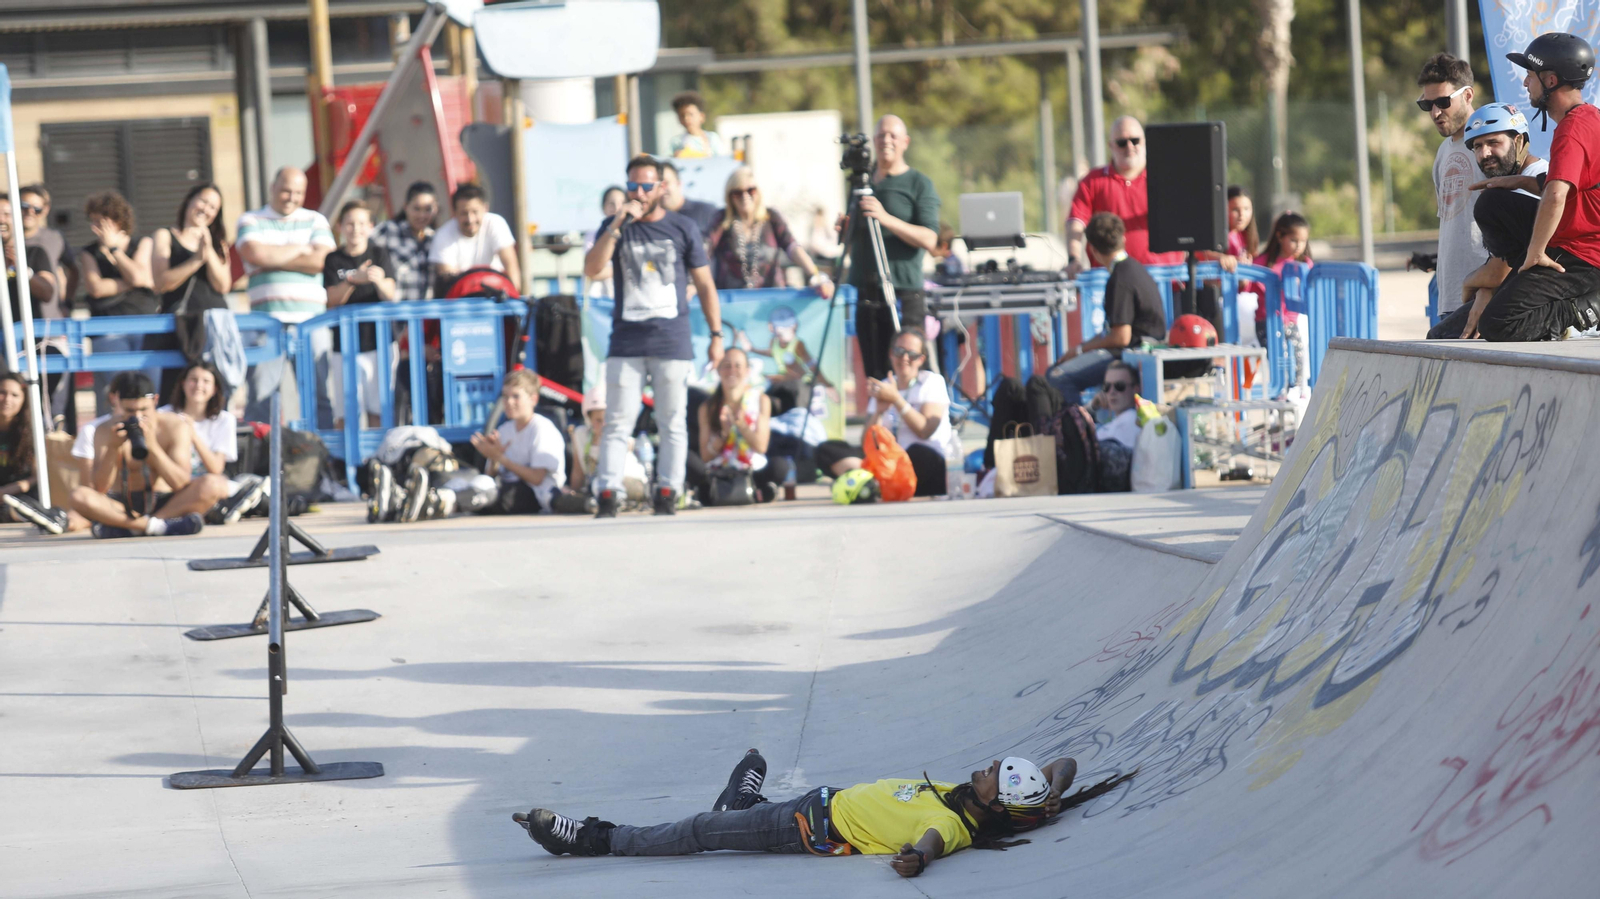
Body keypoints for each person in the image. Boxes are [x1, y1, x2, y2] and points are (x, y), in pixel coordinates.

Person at [515, 748, 1127, 875]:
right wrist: (1044, 798)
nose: (987, 765)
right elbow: (1065, 765)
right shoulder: (969, 798)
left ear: (993, 800)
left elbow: (931, 848)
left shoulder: (950, 825)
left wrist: (916, 860)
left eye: (995, 772)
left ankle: (591, 839)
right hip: (817, 801)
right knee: (731, 816)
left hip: (803, 827)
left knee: (703, 832)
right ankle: (743, 800)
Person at [582, 154, 724, 518]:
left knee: (672, 421)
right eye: (633, 186)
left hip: (670, 340)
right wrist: (617, 224)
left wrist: (716, 334)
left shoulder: (682, 227)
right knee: (617, 420)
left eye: (647, 186)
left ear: (662, 187)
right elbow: (593, 269)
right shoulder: (615, 225)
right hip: (626, 341)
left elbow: (705, 284)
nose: (640, 193)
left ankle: (668, 490)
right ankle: (608, 493)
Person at [1476, 33, 1600, 342]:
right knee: (1493, 204)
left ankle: (1586, 310)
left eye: (1529, 76)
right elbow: (1570, 185)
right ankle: (1527, 276)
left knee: (1498, 323)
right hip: (1579, 237)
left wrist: (1535, 251)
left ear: (1551, 80)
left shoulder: (1572, 131)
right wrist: (1516, 181)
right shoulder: (1588, 119)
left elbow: (1557, 195)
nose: (1524, 83)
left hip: (1586, 254)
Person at [383, 369, 574, 520]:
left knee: (491, 491)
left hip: (536, 496)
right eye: (505, 396)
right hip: (506, 489)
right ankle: (401, 501)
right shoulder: (506, 428)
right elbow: (491, 475)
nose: (508, 402)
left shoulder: (542, 428)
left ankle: (436, 502)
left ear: (533, 399)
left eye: (515, 396)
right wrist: (493, 459)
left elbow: (538, 479)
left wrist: (500, 458)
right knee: (466, 481)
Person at [62, 371, 232, 538]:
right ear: (117, 402)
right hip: (122, 503)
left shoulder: (174, 426)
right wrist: (113, 449)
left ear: (155, 400)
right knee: (79, 496)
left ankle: (134, 527)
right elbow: (100, 488)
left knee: (215, 484)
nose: (137, 417)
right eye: (129, 410)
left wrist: (152, 448)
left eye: (144, 410)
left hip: (167, 501)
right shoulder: (104, 430)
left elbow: (180, 483)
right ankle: (154, 527)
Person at [1427, 103, 1547, 339]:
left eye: (1494, 143)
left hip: (1543, 300)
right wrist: (1485, 288)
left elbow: (1498, 272)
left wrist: (1471, 284)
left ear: (1519, 141)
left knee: (1439, 340)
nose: (1485, 154)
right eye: (1478, 147)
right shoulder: (1509, 182)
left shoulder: (1535, 181)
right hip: (1521, 293)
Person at [843, 114, 941, 381]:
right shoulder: (860, 185)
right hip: (866, 289)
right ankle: (880, 422)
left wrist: (885, 218)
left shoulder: (918, 183)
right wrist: (844, 231)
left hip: (904, 292)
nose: (886, 140)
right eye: (881, 135)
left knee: (908, 368)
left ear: (905, 142)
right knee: (876, 373)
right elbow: (853, 243)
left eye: (893, 135)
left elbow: (930, 239)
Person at [235, 167, 337, 423]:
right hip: (265, 322)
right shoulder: (250, 219)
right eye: (286, 190)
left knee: (318, 395)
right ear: (272, 187)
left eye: (299, 192)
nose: (292, 197)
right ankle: (262, 459)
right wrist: (302, 250)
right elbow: (256, 255)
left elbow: (323, 261)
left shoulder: (316, 220)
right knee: (261, 397)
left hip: (312, 322)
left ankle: (321, 456)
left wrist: (275, 257)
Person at [815, 327, 951, 498]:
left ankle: (867, 482)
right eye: (899, 351)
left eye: (912, 354)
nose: (905, 358)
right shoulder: (885, 385)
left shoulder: (931, 382)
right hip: (886, 462)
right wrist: (878, 412)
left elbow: (925, 430)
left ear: (921, 359)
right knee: (827, 449)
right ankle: (874, 481)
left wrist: (897, 400)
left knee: (920, 453)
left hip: (917, 462)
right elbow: (867, 442)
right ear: (891, 354)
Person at [1046, 212, 1165, 401]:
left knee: (1058, 376)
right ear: (1123, 238)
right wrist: (1080, 348)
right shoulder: (1134, 268)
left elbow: (1121, 337)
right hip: (1139, 348)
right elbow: (1113, 330)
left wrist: (1079, 351)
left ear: (1091, 249)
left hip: (1133, 353)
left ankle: (1080, 429)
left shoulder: (1120, 278)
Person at [1417, 53, 1487, 324]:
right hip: (1450, 295)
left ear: (1468, 95)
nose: (1435, 112)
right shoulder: (1443, 151)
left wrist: (1492, 286)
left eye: (1443, 102)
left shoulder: (1490, 146)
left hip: (1485, 293)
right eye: (1427, 105)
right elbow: (1455, 222)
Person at [1066, 116, 1185, 274]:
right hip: (1113, 281)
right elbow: (1076, 222)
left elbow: (1187, 223)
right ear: (1111, 146)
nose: (1129, 147)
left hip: (1165, 280)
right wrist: (1074, 259)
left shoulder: (1166, 178)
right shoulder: (1092, 182)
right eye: (1122, 143)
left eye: (1135, 140)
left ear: (1144, 141)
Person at [150, 182, 234, 400]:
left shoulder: (218, 244)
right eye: (203, 201)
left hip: (213, 326)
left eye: (213, 208)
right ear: (189, 200)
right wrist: (196, 260)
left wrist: (207, 248)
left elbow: (223, 285)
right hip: (180, 327)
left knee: (213, 392)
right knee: (176, 391)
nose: (206, 209)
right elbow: (162, 281)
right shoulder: (165, 235)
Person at [78, 190, 158, 415]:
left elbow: (140, 277)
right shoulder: (89, 252)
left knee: (149, 392)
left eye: (100, 222)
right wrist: (132, 280)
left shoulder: (142, 242)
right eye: (92, 222)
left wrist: (114, 250)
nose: (95, 228)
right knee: (115, 393)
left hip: (145, 328)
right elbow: (96, 288)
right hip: (107, 330)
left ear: (117, 220)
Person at [161, 361, 267, 525]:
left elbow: (216, 468)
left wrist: (192, 435)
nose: (198, 385)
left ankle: (163, 520)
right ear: (183, 383)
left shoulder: (224, 420)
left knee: (217, 484)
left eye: (206, 381)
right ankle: (161, 520)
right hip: (171, 483)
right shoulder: (164, 414)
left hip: (204, 485)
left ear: (215, 388)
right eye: (193, 380)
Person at [323, 201, 398, 428]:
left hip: (379, 343)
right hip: (344, 345)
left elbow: (391, 294)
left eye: (361, 223)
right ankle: (345, 462)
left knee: (379, 410)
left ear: (371, 226)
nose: (356, 229)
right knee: (346, 414)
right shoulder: (333, 259)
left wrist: (377, 280)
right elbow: (331, 300)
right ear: (340, 227)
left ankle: (378, 459)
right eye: (350, 223)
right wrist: (354, 279)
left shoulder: (380, 253)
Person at [708, 166, 834, 296]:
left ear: (757, 192)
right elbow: (703, 250)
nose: (745, 196)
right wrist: (694, 283)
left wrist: (816, 276)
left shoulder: (771, 217)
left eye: (750, 190)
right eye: (737, 193)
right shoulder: (721, 220)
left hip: (771, 300)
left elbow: (792, 246)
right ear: (730, 196)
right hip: (732, 301)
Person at [694, 347, 789, 504]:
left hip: (751, 470)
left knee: (781, 466)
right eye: (726, 365)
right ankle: (713, 492)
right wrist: (724, 433)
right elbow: (705, 456)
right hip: (719, 472)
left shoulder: (761, 400)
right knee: (690, 463)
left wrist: (742, 425)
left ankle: (756, 490)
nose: (732, 371)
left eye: (738, 366)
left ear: (747, 371)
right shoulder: (707, 407)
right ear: (718, 370)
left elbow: (761, 447)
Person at [0, 372, 66, 533]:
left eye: (14, 395)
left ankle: (29, 514)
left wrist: (4, 492)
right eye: (2, 392)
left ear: (24, 399)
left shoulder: (33, 430)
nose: (7, 399)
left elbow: (35, 477)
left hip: (19, 495)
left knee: (12, 506)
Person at [1254, 212, 1314, 390]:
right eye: (1294, 240)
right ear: (1280, 236)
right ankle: (1279, 391)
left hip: (1291, 322)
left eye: (1303, 241)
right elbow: (1245, 286)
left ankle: (1294, 392)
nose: (1299, 246)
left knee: (1298, 357)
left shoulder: (1305, 264)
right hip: (1267, 322)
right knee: (1278, 358)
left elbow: (1310, 292)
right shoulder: (1263, 262)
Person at [429, 183, 520, 297]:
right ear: (454, 212)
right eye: (464, 213)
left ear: (485, 208)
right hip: (460, 300)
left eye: (475, 212)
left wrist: (514, 297)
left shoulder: (497, 224)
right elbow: (449, 281)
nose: (470, 219)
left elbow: (511, 265)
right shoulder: (442, 235)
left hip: (496, 295)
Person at [568, 393, 647, 504]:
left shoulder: (619, 436)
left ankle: (615, 501)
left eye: (607, 420)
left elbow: (629, 445)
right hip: (598, 487)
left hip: (632, 482)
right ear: (589, 419)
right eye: (598, 420)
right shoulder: (581, 434)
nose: (604, 425)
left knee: (601, 484)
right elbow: (578, 470)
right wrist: (573, 492)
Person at [372, 180, 439, 302]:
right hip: (394, 315)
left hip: (425, 316)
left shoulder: (436, 238)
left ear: (435, 209)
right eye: (416, 209)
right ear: (405, 206)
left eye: (428, 209)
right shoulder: (388, 230)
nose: (422, 215)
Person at [18, 184, 73, 314]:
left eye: (37, 209)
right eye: (24, 206)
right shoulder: (7, 240)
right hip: (15, 320)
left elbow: (73, 270)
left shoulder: (55, 238)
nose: (30, 212)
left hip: (50, 320)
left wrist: (67, 302)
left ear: (46, 210)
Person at [1093, 360, 1142, 493]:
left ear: (1135, 389)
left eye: (1119, 386)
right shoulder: (1115, 421)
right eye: (1106, 387)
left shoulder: (1131, 420)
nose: (1112, 392)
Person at [659, 160, 723, 243]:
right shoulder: (650, 222)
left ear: (678, 183)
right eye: (658, 185)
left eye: (666, 183)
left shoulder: (706, 212)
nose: (662, 189)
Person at [669, 91, 728, 158]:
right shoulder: (676, 142)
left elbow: (722, 159)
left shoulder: (712, 138)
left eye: (690, 114)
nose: (686, 118)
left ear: (701, 116)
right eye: (682, 115)